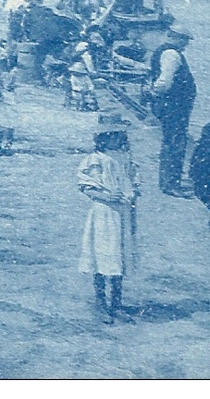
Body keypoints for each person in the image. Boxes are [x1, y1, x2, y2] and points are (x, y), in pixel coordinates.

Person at [78, 130, 139, 324]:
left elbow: (134, 187)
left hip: (123, 215)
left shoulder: (125, 160)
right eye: (113, 137)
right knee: (103, 256)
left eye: (120, 136)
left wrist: (133, 207)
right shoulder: (94, 160)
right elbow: (86, 187)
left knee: (119, 258)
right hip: (103, 214)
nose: (118, 140)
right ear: (102, 140)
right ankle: (101, 302)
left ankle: (116, 302)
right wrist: (105, 196)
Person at [148, 26, 196, 198]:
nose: (186, 45)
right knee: (175, 143)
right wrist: (156, 93)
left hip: (170, 106)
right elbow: (164, 82)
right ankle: (171, 184)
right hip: (174, 107)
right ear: (178, 38)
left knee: (171, 141)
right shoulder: (172, 54)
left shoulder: (163, 51)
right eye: (185, 41)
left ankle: (169, 181)